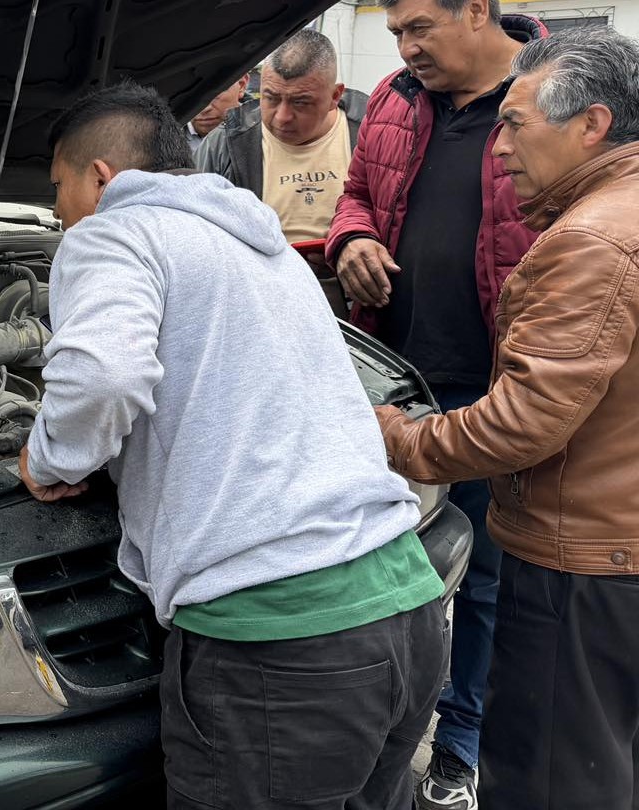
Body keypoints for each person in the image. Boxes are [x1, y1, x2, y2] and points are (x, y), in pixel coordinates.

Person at [20, 80, 445, 809]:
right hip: (407, 610)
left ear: (100, 177)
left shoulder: (114, 232)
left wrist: (48, 457)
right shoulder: (259, 240)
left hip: (279, 645)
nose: (58, 212)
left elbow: (104, 378)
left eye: (58, 188)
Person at [378, 28, 639, 810]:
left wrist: (395, 438)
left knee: (548, 779)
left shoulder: (592, 240)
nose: (497, 150)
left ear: (591, 125)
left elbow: (523, 422)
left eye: (515, 125)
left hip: (579, 566)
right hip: (617, 551)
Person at [325, 2, 547, 804]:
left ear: (478, 10)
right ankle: (379, 734)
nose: (406, 47)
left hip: (495, 387)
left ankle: (457, 747)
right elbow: (355, 194)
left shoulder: (547, 97)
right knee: (378, 566)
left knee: (483, 579)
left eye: (420, 27)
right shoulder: (394, 99)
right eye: (396, 32)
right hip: (390, 384)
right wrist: (352, 239)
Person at [197, 29, 368, 316]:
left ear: (334, 95)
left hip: (355, 307)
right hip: (257, 302)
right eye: (271, 98)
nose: (282, 116)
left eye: (301, 102)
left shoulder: (371, 132)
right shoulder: (227, 141)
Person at [185, 76, 248, 155]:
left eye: (215, 93)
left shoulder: (260, 134)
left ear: (241, 85)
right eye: (191, 95)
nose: (204, 109)